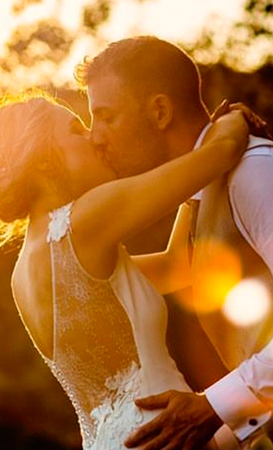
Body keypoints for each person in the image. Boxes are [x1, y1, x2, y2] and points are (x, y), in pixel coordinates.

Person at [0, 91, 249, 450]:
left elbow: (176, 267)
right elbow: (223, 152)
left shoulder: (25, 271)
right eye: (76, 129)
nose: (94, 138)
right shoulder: (83, 219)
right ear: (41, 159)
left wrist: (195, 192)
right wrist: (232, 120)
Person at [76, 36, 273, 450]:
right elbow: (171, 268)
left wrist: (213, 406)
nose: (95, 137)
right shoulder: (204, 190)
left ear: (160, 111)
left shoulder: (254, 174)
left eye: (106, 117)